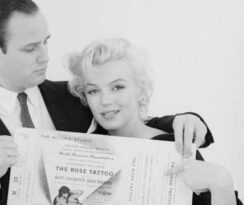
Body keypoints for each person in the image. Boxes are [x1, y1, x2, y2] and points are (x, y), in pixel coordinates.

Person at [0, 0, 214, 205]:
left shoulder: (76, 96)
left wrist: (180, 121)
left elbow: (124, 123)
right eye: (31, 48)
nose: (44, 56)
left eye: (46, 41)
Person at [67, 38, 242, 205]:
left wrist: (222, 184)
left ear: (140, 90)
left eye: (118, 87)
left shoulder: (175, 149)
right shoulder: (86, 152)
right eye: (93, 91)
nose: (105, 100)